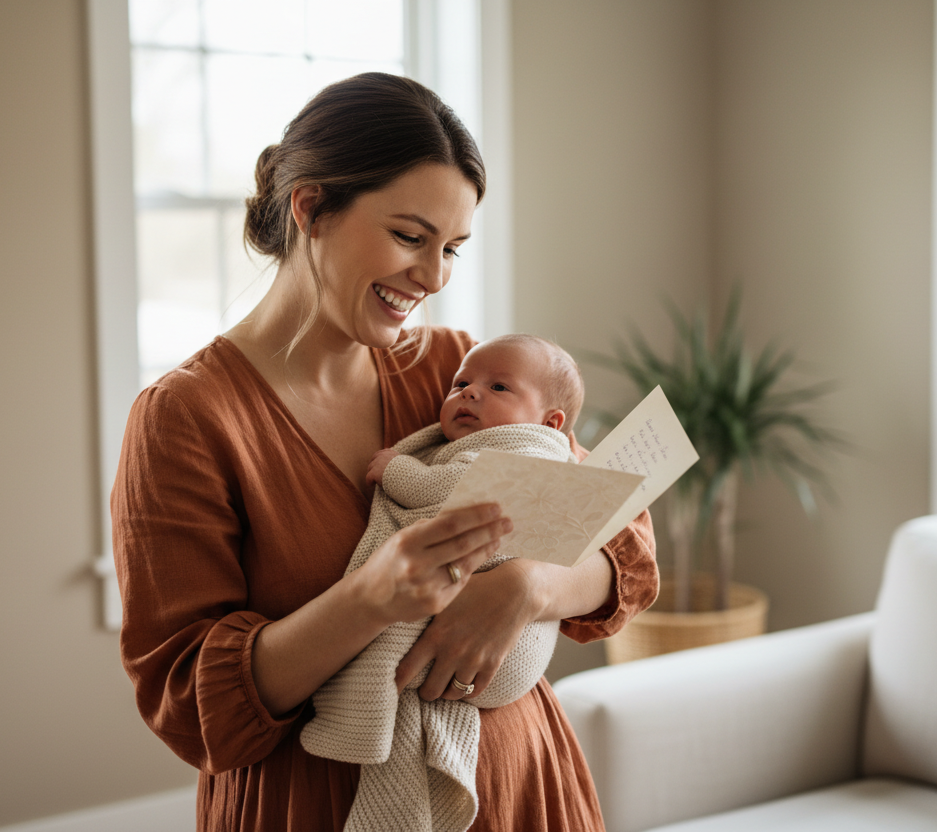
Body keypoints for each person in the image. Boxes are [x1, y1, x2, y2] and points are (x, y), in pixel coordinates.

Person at [111, 72, 658, 832]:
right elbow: (186, 703)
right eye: (410, 237)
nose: (433, 277)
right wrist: (372, 598)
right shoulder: (186, 419)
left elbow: (622, 540)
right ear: (310, 207)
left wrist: (528, 586)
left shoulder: (460, 375)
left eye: (453, 249)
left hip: (519, 791)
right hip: (315, 807)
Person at [301, 335, 586, 831]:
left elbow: (446, 494)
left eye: (498, 386)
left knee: (395, 639)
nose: (469, 393)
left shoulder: (522, 453)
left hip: (509, 661)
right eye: (461, 383)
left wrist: (397, 470)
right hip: (496, 674)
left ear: (550, 423)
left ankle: (362, 700)